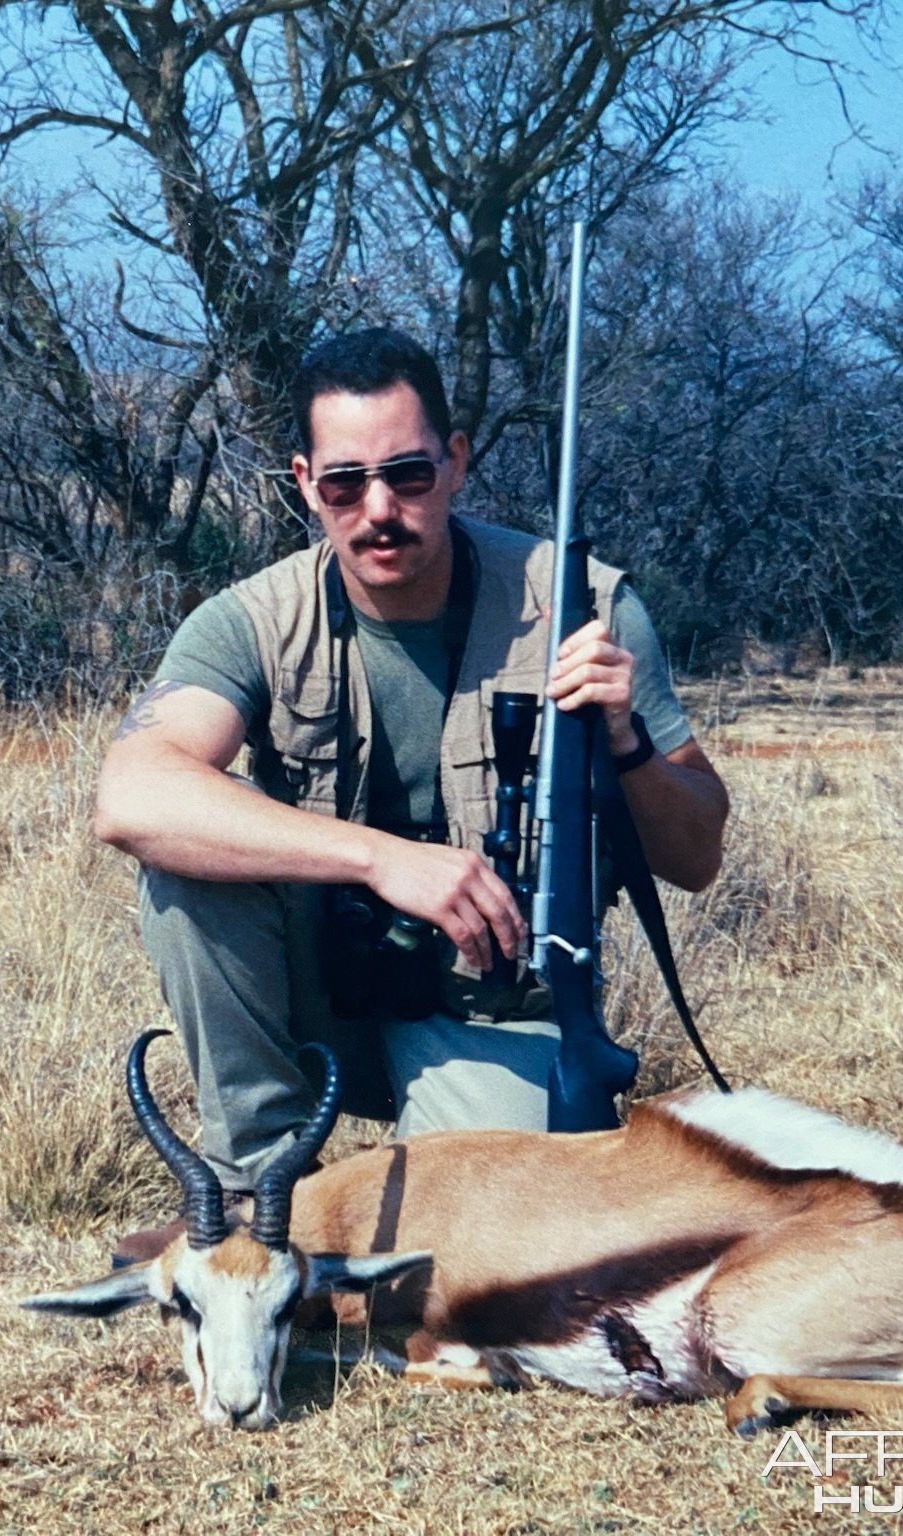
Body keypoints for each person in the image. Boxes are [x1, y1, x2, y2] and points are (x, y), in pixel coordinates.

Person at [93, 327, 729, 1219]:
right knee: (187, 864)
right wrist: (382, 859)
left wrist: (624, 741)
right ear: (306, 483)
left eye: (409, 475)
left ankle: (413, 1188)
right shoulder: (251, 618)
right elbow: (131, 795)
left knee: (470, 1246)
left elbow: (696, 855)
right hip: (322, 1001)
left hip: (493, 1006)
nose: (379, 509)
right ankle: (260, 1197)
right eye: (347, 483)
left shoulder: (584, 606)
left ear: (457, 462)